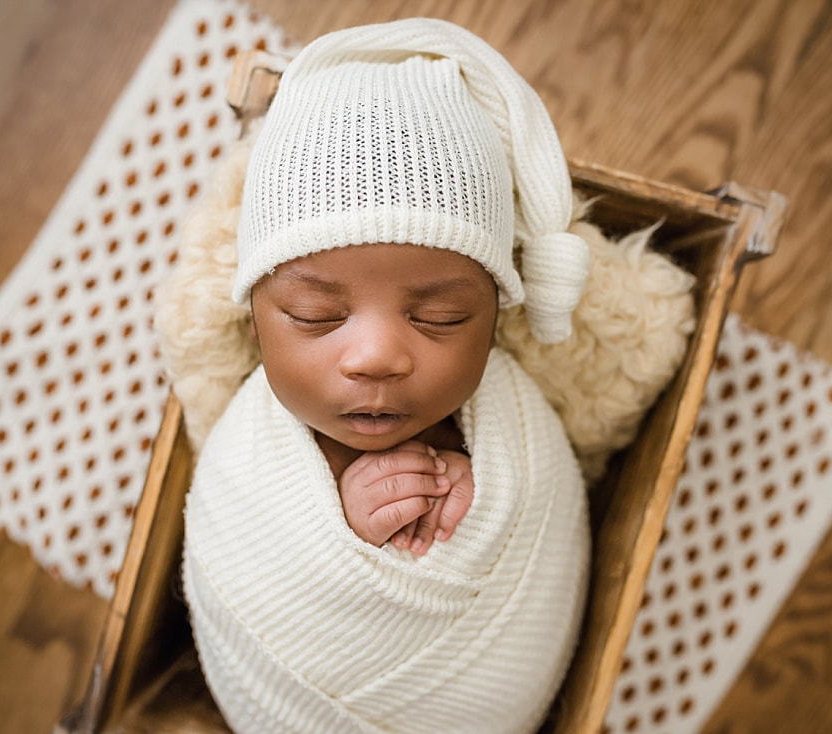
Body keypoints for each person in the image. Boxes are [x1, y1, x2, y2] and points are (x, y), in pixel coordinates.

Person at [182, 17, 592, 734]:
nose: (375, 355)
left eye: (438, 317)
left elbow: (540, 528)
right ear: (254, 319)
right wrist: (341, 525)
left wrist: (473, 513)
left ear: (498, 317)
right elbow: (244, 559)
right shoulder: (247, 457)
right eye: (313, 314)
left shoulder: (515, 432)